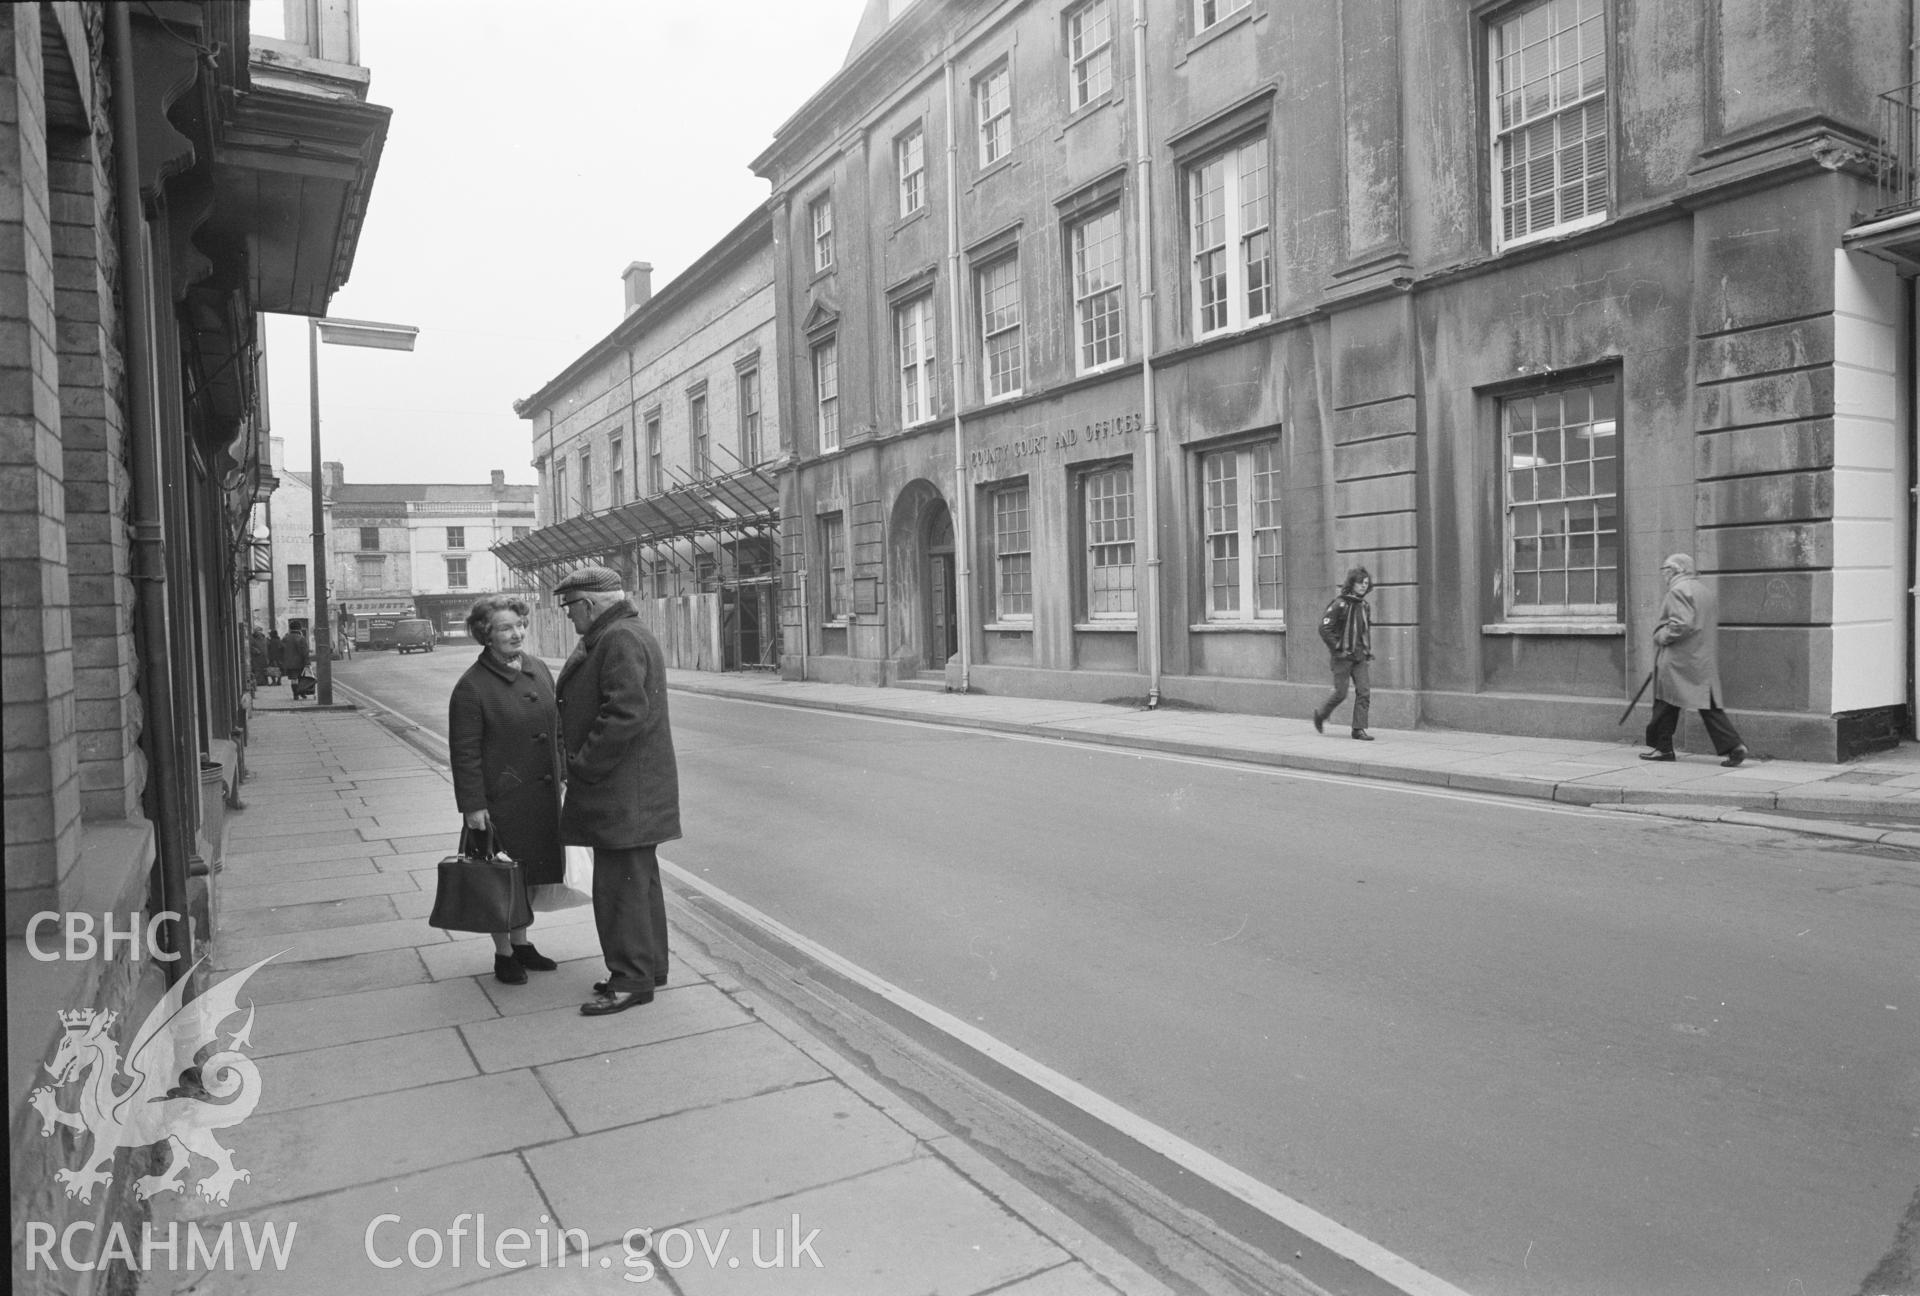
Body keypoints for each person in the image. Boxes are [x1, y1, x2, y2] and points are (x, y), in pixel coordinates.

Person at [553, 564, 681, 1017]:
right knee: (638, 883)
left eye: (570, 608)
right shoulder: (625, 632)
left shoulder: (619, 639)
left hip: (621, 791)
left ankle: (630, 981)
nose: (569, 616)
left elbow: (625, 713)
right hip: (636, 791)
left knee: (618, 889)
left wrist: (582, 765)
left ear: (589, 605)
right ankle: (649, 968)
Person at [448, 595, 564, 984]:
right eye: (505, 628)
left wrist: (561, 772)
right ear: (486, 635)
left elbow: (557, 729)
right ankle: (503, 954)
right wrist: (473, 806)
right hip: (501, 802)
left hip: (542, 798)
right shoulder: (472, 687)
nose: (517, 634)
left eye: (520, 625)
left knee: (529, 874)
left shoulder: (538, 668)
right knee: (501, 878)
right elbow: (464, 754)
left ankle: (522, 942)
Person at [1641, 553, 1747, 767]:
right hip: (1700, 658)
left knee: (1665, 703)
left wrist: (1661, 635)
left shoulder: (1678, 591)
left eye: (1665, 570)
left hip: (1679, 659)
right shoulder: (1702, 590)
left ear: (1675, 570)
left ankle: (1663, 749)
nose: (1664, 575)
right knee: (1708, 706)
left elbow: (1681, 624)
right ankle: (1734, 746)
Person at [1312, 566, 1375, 741]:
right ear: (1352, 583)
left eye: (1366, 583)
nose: (1363, 586)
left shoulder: (1365, 606)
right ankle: (1320, 715)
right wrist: (1338, 648)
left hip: (1359, 656)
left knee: (1364, 692)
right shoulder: (1339, 603)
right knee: (1341, 693)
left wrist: (1366, 651)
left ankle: (1358, 729)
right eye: (1360, 582)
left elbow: (1364, 631)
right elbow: (1324, 628)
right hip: (1342, 657)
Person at [281, 627, 312, 699]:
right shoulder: (301, 638)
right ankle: (302, 693)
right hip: (300, 662)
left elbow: (281, 649)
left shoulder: (285, 638)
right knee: (302, 678)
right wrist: (307, 662)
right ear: (299, 629)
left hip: (289, 663)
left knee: (293, 679)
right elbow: (305, 652)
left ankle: (295, 694)